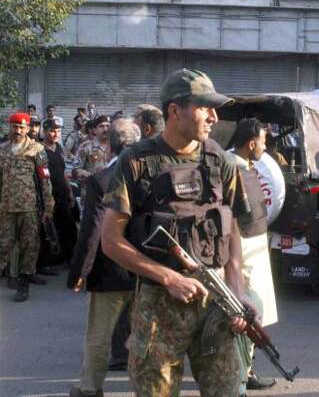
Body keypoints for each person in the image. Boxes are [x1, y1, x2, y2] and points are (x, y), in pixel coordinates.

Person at [100, 68, 250, 396]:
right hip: (159, 307)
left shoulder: (220, 161)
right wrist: (169, 278)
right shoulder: (137, 162)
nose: (213, 117)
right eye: (204, 107)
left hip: (216, 302)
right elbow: (110, 240)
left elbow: (231, 228)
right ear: (174, 111)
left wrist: (238, 290)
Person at [68, 119, 141, 397]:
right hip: (147, 270)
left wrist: (79, 272)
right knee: (143, 334)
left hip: (109, 269)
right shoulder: (152, 174)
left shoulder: (101, 180)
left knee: (99, 335)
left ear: (110, 146)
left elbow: (92, 231)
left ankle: (89, 388)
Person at [229, 118, 278, 394]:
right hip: (243, 254)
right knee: (245, 315)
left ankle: (245, 371)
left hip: (255, 250)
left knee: (255, 314)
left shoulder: (246, 165)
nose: (265, 147)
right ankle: (242, 376)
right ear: (251, 143)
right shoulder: (230, 167)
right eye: (263, 141)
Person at [0, 113, 54, 302]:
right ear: (10, 127)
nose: (18, 130)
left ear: (28, 128)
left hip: (29, 207)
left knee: (29, 245)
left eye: (22, 127)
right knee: (3, 244)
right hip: (6, 206)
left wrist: (48, 206)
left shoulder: (36, 149)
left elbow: (45, 179)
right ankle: (9, 276)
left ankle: (24, 284)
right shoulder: (2, 150)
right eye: (15, 127)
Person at [38, 117, 77, 274]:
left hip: (62, 196)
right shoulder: (39, 149)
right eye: (52, 131)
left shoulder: (59, 148)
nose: (55, 134)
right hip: (47, 197)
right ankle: (44, 264)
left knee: (68, 227)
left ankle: (69, 258)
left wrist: (70, 192)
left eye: (58, 131)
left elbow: (63, 172)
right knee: (46, 231)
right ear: (45, 131)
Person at [73, 115, 112, 182]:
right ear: (95, 130)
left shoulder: (116, 146)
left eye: (107, 126)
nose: (105, 129)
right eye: (101, 126)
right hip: (92, 186)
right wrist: (89, 176)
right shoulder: (86, 146)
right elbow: (76, 168)